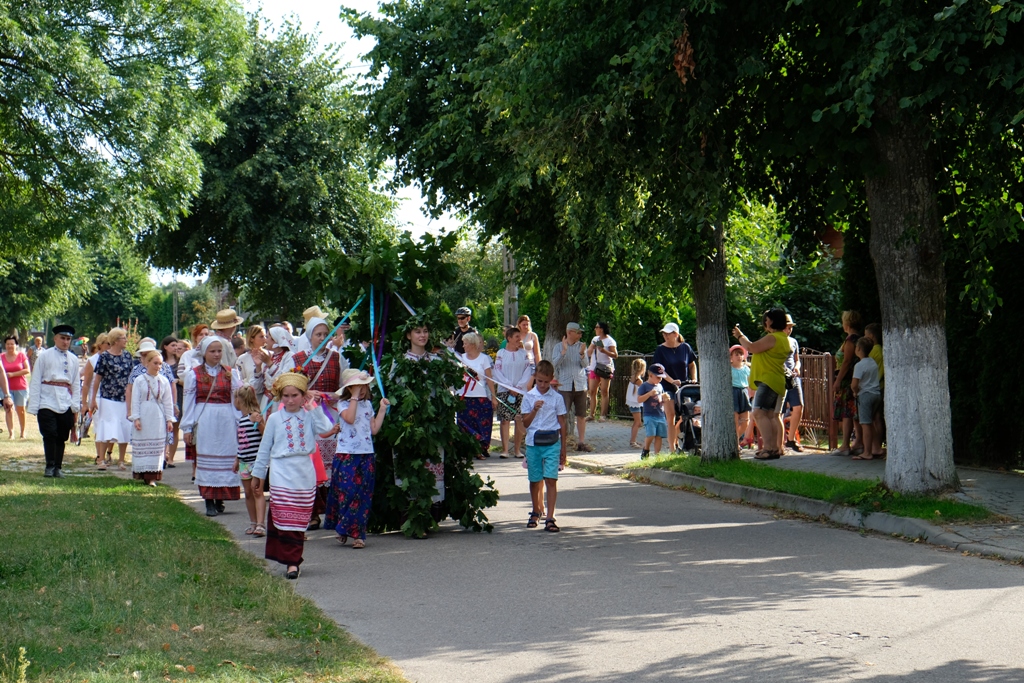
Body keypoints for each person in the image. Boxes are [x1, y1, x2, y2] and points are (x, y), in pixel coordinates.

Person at [251, 372, 335, 579]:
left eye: (295, 395)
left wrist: (313, 408)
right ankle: (292, 562)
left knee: (298, 517)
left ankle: (293, 559)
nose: (290, 400)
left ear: (303, 395)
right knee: (283, 514)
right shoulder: (274, 419)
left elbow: (326, 428)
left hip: (303, 471)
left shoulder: (309, 416)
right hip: (281, 470)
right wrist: (258, 475)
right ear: (280, 396)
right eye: (286, 396)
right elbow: (265, 448)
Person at [282, 316, 345, 529]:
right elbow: (287, 385)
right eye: (318, 334)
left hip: (331, 415)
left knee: (332, 464)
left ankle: (333, 512)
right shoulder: (298, 359)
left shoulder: (337, 358)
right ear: (309, 336)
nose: (322, 338)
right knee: (311, 463)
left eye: (326, 334)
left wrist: (334, 395)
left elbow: (346, 386)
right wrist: (308, 392)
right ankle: (313, 513)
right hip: (308, 415)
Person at [325, 369, 391, 549]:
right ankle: (343, 527)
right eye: (356, 387)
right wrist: (354, 396)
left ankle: (358, 534)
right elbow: (350, 419)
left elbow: (374, 429)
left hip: (365, 454)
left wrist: (382, 410)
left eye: (363, 387)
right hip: (346, 454)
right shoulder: (343, 404)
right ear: (349, 389)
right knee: (346, 492)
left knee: (363, 495)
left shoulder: (367, 404)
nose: (361, 390)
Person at [182, 336, 242, 517]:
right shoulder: (194, 374)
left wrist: (239, 422)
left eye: (219, 351)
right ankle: (209, 499)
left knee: (226, 457)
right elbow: (189, 402)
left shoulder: (231, 373)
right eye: (212, 351)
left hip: (226, 420)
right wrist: (188, 427)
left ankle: (220, 497)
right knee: (206, 457)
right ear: (204, 353)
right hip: (205, 419)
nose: (216, 354)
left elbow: (236, 400)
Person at [732, 308, 790, 460]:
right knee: (770, 416)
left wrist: (739, 336)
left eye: (767, 319)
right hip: (775, 381)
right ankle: (775, 448)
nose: (765, 322)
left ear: (771, 321)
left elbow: (751, 347)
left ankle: (769, 449)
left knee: (758, 413)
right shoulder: (782, 338)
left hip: (768, 381)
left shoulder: (773, 338)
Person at [27, 325, 81, 477]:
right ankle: (49, 465)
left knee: (62, 435)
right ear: (55, 338)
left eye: (68, 339)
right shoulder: (44, 356)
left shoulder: (73, 359)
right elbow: (36, 380)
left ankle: (58, 466)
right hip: (47, 399)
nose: (65, 342)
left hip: (65, 400)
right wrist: (34, 405)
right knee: (49, 433)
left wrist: (75, 405)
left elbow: (76, 384)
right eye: (62, 338)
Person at [519, 360, 567, 532]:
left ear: (551, 379)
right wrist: (534, 410)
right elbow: (525, 423)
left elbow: (562, 423)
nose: (542, 385)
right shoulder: (529, 396)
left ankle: (550, 517)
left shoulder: (557, 398)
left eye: (546, 382)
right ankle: (536, 511)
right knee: (535, 479)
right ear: (535, 378)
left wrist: (563, 448)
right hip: (534, 442)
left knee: (551, 479)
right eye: (539, 381)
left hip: (552, 442)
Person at [128, 345, 174, 486]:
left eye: (160, 364)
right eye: (155, 363)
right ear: (147, 363)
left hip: (158, 416)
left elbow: (168, 401)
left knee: (157, 445)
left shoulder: (164, 381)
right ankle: (142, 473)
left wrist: (169, 419)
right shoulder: (139, 380)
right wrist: (136, 417)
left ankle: (153, 476)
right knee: (143, 443)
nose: (158, 366)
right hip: (144, 413)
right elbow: (135, 400)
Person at [91, 327, 135, 470]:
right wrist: (93, 399)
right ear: (116, 340)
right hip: (108, 397)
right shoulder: (105, 357)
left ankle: (121, 460)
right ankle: (101, 459)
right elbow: (97, 378)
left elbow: (131, 378)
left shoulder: (127, 356)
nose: (126, 340)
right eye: (124, 338)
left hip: (124, 398)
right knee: (107, 427)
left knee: (124, 426)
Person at [652, 322, 698, 452]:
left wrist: (694, 378)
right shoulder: (660, 350)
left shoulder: (685, 347)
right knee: (670, 415)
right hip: (667, 387)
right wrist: (672, 381)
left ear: (676, 334)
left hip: (684, 387)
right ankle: (672, 448)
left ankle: (684, 442)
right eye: (664, 334)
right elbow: (659, 370)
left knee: (686, 414)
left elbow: (692, 364)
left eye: (668, 333)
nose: (665, 336)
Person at [550, 322, 594, 452]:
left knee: (581, 415)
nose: (580, 335)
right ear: (570, 332)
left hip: (580, 385)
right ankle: (560, 441)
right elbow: (555, 364)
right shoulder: (558, 346)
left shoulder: (581, 346)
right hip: (565, 385)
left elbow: (586, 365)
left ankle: (581, 442)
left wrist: (582, 354)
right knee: (562, 414)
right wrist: (563, 352)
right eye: (578, 332)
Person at [455, 332, 497, 460]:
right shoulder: (460, 358)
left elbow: (489, 379)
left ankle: (479, 449)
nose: (463, 346)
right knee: (464, 424)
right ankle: (466, 450)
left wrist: (493, 397)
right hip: (463, 396)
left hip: (480, 396)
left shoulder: (484, 359)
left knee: (480, 424)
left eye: (465, 343)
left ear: (473, 344)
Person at [493, 326, 533, 458]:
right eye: (516, 337)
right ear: (509, 338)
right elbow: (497, 371)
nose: (519, 339)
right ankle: (505, 450)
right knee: (505, 420)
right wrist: (509, 386)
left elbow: (528, 370)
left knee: (519, 419)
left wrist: (519, 386)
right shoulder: (501, 353)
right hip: (505, 390)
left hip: (520, 391)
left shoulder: (523, 353)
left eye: (520, 337)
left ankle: (517, 450)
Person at [234, 385, 267, 537]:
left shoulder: (255, 416)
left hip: (256, 462)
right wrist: (237, 459)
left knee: (257, 492)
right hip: (244, 462)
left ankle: (260, 524)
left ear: (239, 400)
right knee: (248, 493)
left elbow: (265, 435)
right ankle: (253, 522)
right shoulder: (241, 420)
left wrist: (260, 423)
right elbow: (242, 443)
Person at [832, 310, 864, 456]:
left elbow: (846, 362)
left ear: (847, 323)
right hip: (853, 378)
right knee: (853, 412)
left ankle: (845, 445)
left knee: (847, 413)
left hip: (847, 380)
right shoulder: (858, 339)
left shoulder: (851, 340)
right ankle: (858, 443)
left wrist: (838, 380)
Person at [851, 337, 883, 460]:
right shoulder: (872, 362)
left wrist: (855, 392)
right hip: (876, 394)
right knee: (873, 421)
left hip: (865, 394)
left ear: (859, 349)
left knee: (865, 424)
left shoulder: (859, 365)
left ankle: (867, 452)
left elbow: (854, 384)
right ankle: (877, 448)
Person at [586, 322, 618, 422]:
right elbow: (589, 353)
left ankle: (603, 415)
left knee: (604, 391)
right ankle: (591, 414)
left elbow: (615, 355)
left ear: (602, 329)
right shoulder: (595, 339)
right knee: (592, 391)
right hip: (594, 367)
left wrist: (604, 351)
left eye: (597, 327)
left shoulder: (610, 341)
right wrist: (591, 348)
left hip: (605, 368)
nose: (595, 329)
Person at [637, 363, 670, 459]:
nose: (660, 379)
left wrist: (665, 398)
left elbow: (661, 399)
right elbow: (639, 399)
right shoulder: (644, 386)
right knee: (651, 434)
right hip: (649, 415)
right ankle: (646, 450)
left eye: (661, 377)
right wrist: (649, 394)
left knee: (659, 436)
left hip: (660, 414)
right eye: (658, 377)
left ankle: (657, 455)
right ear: (650, 375)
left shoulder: (660, 386)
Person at [158, 336, 181, 467]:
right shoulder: (159, 361)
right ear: (165, 347)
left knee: (175, 427)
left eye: (176, 345)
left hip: (178, 394)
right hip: (163, 397)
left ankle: (171, 457)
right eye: (172, 345)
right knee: (164, 427)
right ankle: (163, 455)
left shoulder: (180, 361)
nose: (175, 348)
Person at [782, 314, 804, 452]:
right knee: (779, 411)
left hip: (793, 378)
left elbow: (797, 359)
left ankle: (791, 439)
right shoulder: (775, 341)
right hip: (780, 377)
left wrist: (797, 367)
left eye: (791, 327)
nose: (789, 330)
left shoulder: (794, 341)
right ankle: (779, 442)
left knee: (799, 406)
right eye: (787, 327)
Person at [864, 322, 885, 457]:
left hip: (873, 387)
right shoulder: (881, 349)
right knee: (877, 418)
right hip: (880, 386)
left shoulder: (874, 351)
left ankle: (875, 446)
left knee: (873, 419)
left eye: (866, 335)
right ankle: (877, 446)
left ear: (871, 336)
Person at [2, 336, 30, 439]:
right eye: (8, 344)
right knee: (8, 409)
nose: (10, 346)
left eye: (12, 344)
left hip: (20, 387)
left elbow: (27, 370)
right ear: (5, 345)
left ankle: (22, 432)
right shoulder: (1, 357)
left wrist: (13, 374)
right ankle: (11, 433)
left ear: (16, 345)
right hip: (6, 388)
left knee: (21, 410)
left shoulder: (21, 356)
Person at [263, 326, 295, 411]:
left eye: (267, 337)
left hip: (280, 402)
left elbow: (284, 379)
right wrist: (258, 368)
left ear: (275, 340)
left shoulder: (289, 356)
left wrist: (270, 364)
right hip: (266, 400)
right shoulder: (270, 356)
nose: (265, 340)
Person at [237, 324, 270, 391]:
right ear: (252, 339)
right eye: (261, 336)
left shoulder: (270, 354)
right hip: (250, 395)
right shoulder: (242, 359)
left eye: (265, 336)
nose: (265, 339)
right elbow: (239, 380)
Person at [730, 345, 752, 444]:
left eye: (741, 354)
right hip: (733, 392)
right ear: (731, 357)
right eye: (736, 354)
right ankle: (735, 443)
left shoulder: (746, 369)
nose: (739, 356)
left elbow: (750, 381)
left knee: (745, 421)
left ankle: (735, 440)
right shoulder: (729, 368)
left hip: (744, 392)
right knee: (734, 420)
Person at [625, 358, 646, 449]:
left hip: (633, 402)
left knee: (637, 422)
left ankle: (633, 440)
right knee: (638, 422)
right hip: (635, 403)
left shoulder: (633, 377)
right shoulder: (639, 380)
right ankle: (632, 441)